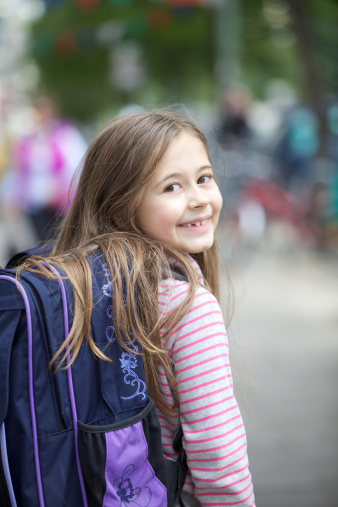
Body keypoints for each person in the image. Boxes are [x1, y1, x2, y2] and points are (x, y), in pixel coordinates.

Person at [17, 109, 255, 506]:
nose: (199, 199)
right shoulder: (186, 305)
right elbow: (220, 460)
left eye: (204, 178)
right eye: (171, 188)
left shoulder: (77, 287)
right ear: (119, 209)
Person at [10, 96, 87, 242]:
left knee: (60, 241)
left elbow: (77, 164)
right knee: (41, 241)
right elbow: (19, 172)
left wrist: (60, 189)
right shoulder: (26, 139)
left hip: (59, 201)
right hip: (34, 201)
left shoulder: (65, 134)